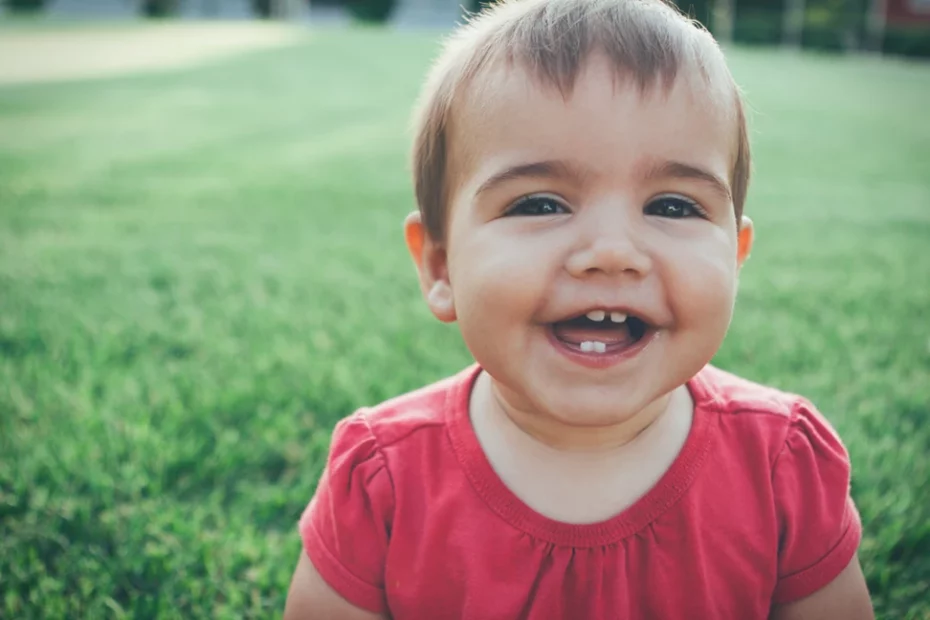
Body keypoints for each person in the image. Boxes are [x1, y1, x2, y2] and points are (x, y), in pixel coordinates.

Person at [283, 0, 874, 617]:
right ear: (440, 266)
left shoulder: (784, 467)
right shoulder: (381, 481)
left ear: (734, 256)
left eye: (673, 206)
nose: (613, 253)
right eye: (540, 204)